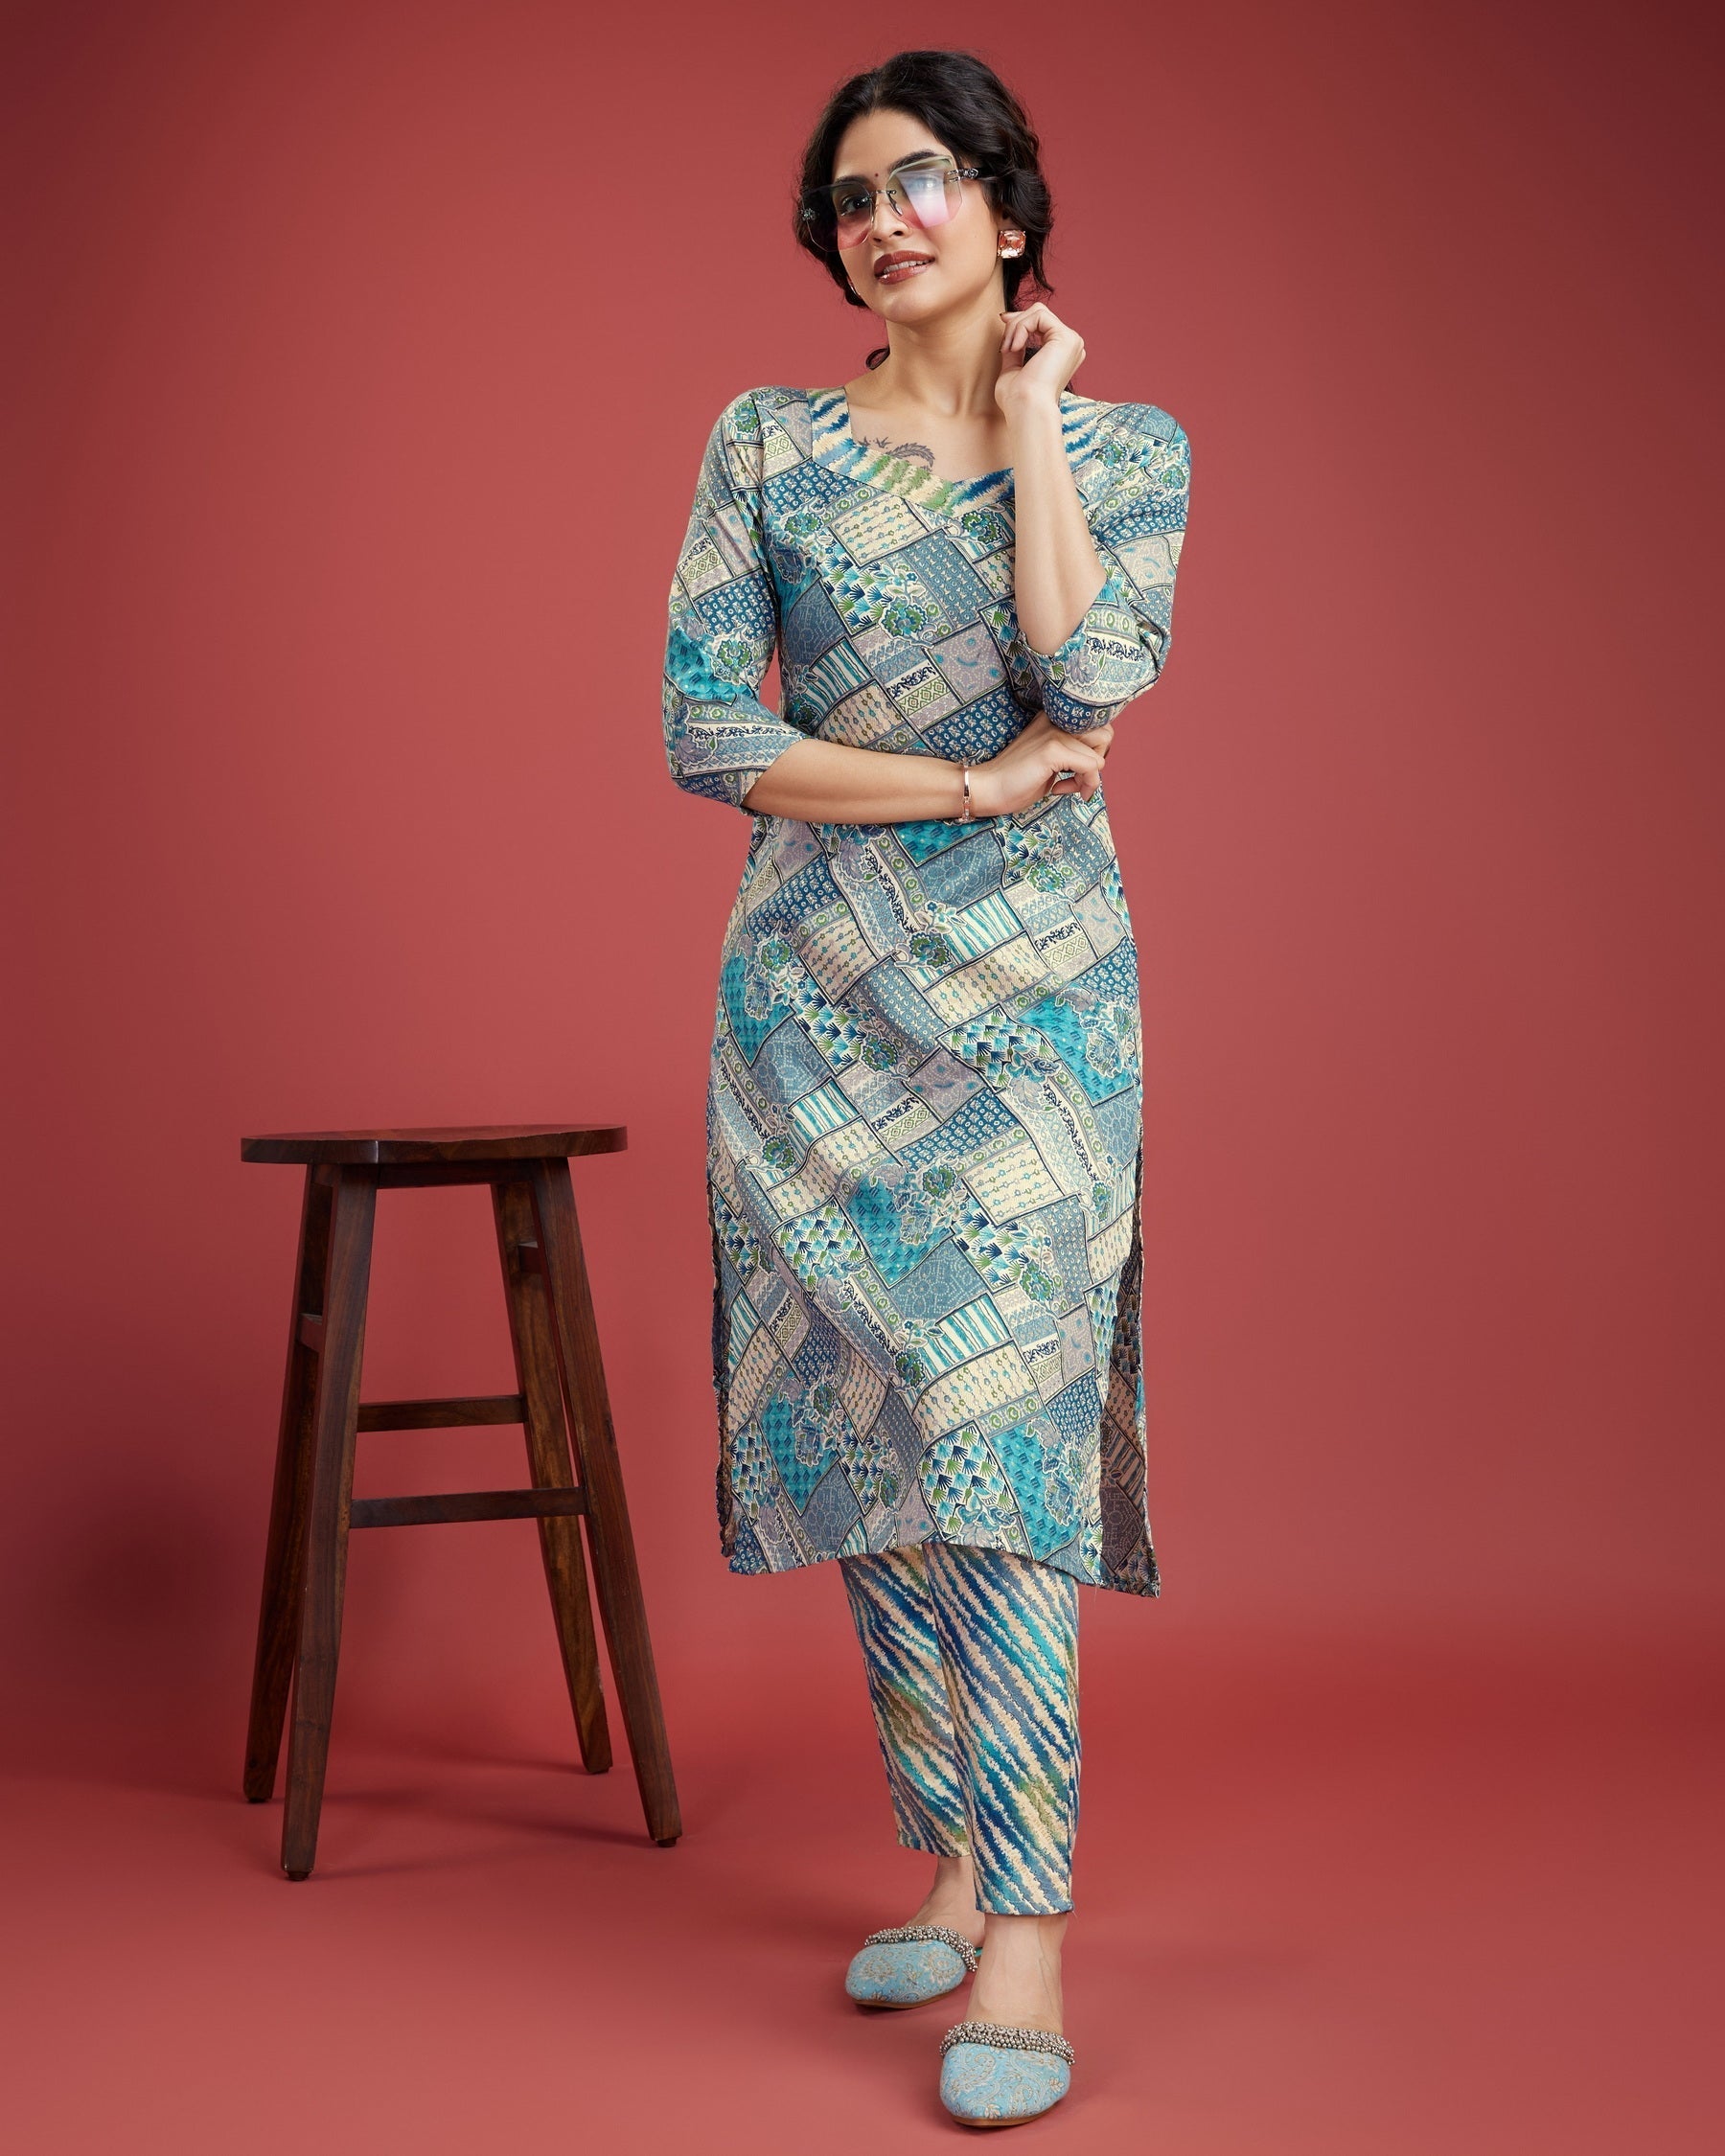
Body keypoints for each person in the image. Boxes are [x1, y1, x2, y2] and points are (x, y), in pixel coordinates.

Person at [661, 47, 1191, 2128]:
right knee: (875, 1440)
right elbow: (710, 733)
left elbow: (1098, 675)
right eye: (853, 196)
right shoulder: (769, 441)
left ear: (1007, 208)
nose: (884, 218)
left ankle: (1031, 1933)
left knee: (1000, 1431)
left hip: (1036, 1015)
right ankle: (957, 1857)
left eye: (925, 180)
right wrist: (970, 787)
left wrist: (1034, 416)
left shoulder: (1128, 448)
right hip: (810, 1009)